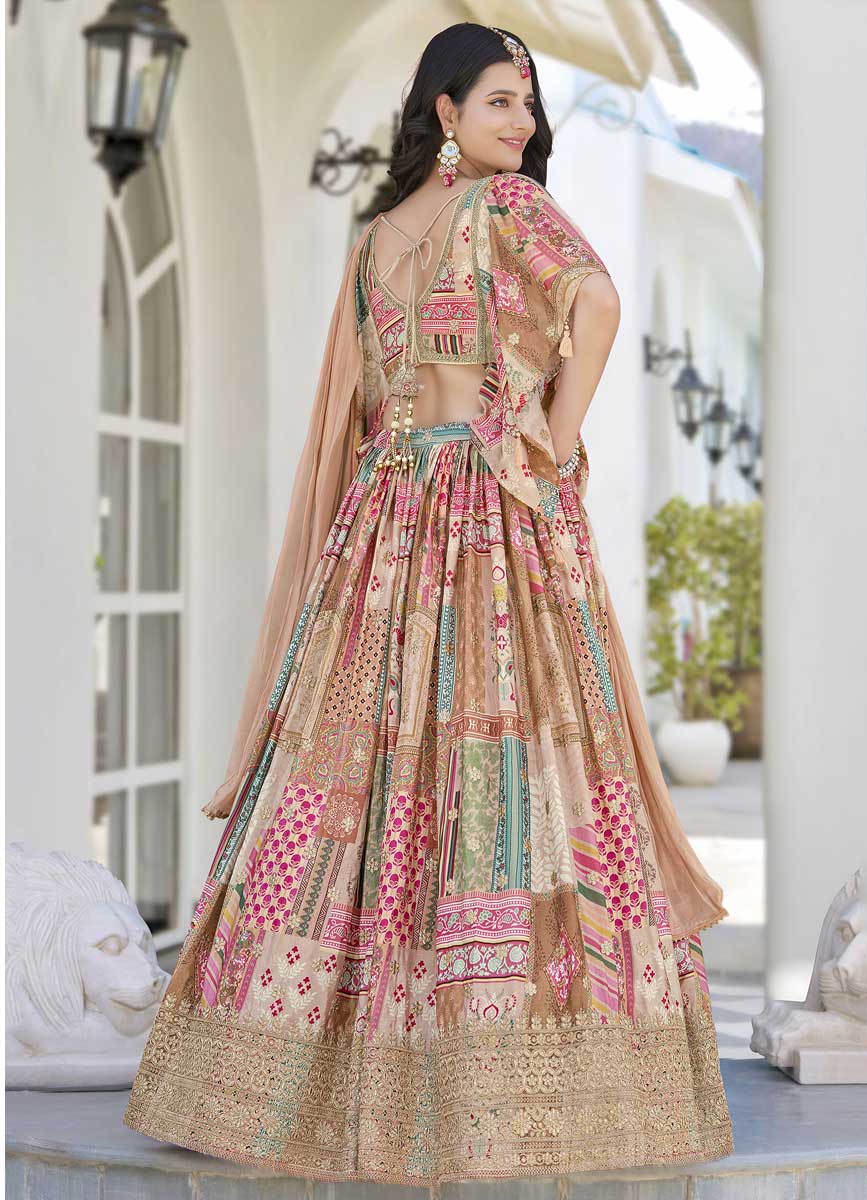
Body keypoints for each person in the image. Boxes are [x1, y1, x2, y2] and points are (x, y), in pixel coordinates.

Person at [123, 22, 734, 1188]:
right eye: (501, 101)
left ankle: (310, 1069)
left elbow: (355, 415)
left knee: (370, 775)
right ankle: (514, 1067)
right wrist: (550, 445)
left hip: (385, 524)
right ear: (445, 112)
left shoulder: (374, 243)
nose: (523, 124)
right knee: (514, 767)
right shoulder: (510, 209)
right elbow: (598, 305)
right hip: (493, 520)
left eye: (530, 105)